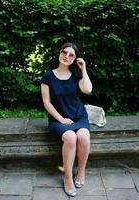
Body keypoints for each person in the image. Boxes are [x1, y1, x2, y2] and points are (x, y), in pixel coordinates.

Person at [40, 42, 92, 197]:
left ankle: (81, 172)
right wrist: (61, 119)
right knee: (70, 137)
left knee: (83, 136)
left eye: (71, 55)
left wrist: (84, 69)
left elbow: (88, 90)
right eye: (64, 53)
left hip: (79, 116)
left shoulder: (76, 75)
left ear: (75, 59)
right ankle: (67, 177)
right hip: (58, 119)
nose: (67, 57)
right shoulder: (48, 76)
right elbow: (46, 102)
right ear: (59, 53)